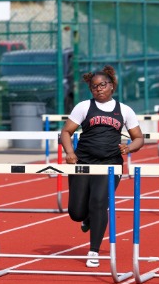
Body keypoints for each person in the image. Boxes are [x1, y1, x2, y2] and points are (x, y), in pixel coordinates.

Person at [60, 65, 144, 268]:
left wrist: (129, 147)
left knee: (98, 202)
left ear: (112, 85)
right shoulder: (83, 107)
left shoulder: (124, 110)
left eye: (102, 85)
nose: (98, 89)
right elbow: (66, 132)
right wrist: (70, 152)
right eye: (94, 86)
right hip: (83, 162)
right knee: (76, 213)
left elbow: (139, 138)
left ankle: (94, 251)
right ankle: (87, 217)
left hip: (110, 164)